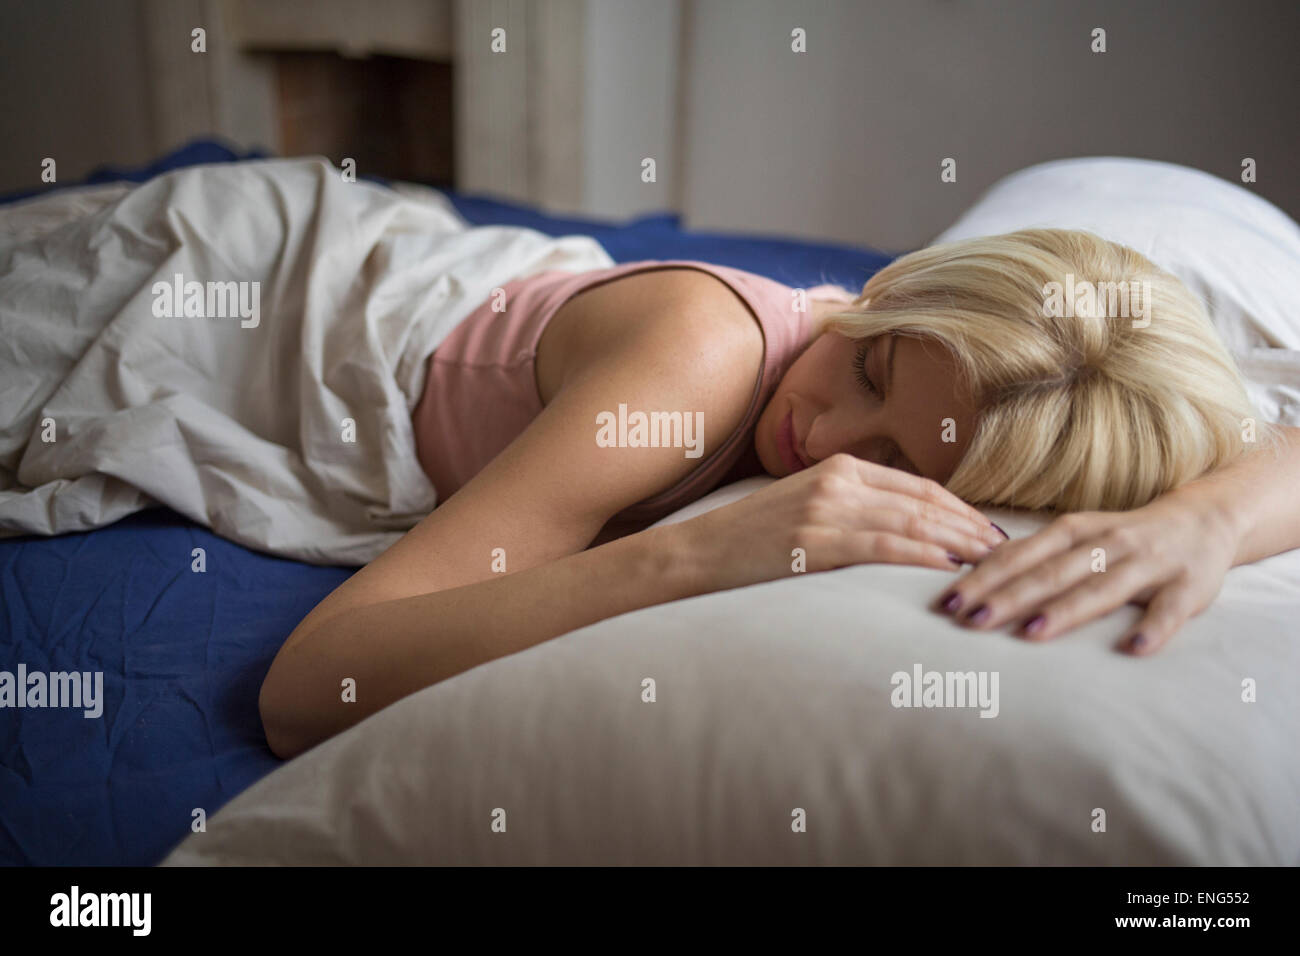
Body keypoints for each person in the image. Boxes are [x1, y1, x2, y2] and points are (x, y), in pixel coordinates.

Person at [259, 228, 1300, 758]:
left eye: (896, 462)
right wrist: (694, 553)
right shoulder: (700, 360)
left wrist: (1200, 519)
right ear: (890, 287)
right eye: (871, 372)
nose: (824, 439)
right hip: (287, 305)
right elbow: (306, 688)